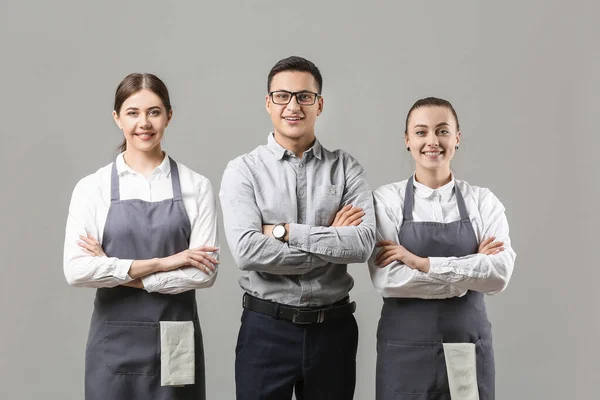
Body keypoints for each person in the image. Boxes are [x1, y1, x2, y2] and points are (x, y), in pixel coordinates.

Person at [220, 56, 376, 400]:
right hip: (266, 330)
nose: (293, 105)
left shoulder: (346, 168)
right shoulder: (243, 170)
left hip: (333, 331)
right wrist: (331, 241)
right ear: (268, 103)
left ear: (319, 104)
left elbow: (363, 244)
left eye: (304, 96)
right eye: (282, 96)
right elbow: (247, 251)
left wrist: (284, 231)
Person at [63, 73, 219, 399]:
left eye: (154, 112)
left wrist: (119, 270)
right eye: (133, 112)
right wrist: (164, 262)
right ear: (117, 118)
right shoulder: (93, 188)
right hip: (113, 344)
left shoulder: (196, 186)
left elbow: (203, 274)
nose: (144, 123)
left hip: (176, 341)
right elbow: (76, 271)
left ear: (169, 116)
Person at [368, 97, 516, 400]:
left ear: (457, 138)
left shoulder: (483, 202)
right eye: (421, 132)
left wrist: (423, 264)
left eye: (442, 131)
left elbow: (499, 275)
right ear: (407, 140)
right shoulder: (385, 200)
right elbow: (389, 280)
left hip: (465, 344)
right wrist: (468, 273)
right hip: (403, 350)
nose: (432, 141)